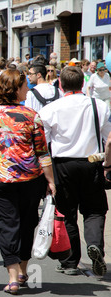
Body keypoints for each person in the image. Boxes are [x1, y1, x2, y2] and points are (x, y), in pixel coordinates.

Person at [0, 69, 56, 294]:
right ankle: (23, 270)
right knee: (27, 224)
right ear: (15, 89)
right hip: (31, 180)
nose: (28, 89)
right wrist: (50, 180)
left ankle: (14, 277)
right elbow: (42, 152)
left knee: (6, 225)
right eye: (25, 86)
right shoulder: (32, 115)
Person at [39, 66, 111, 277]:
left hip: (62, 165)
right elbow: (109, 139)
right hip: (92, 163)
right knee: (95, 210)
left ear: (60, 84)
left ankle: (70, 261)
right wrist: (107, 165)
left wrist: (45, 174)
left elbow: (43, 144)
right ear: (83, 83)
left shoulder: (51, 108)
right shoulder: (99, 105)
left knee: (66, 212)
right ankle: (95, 245)